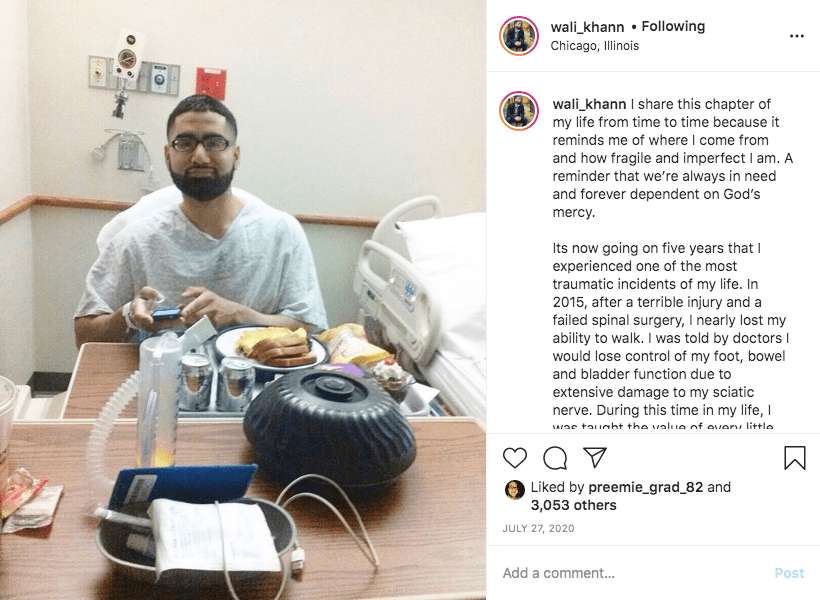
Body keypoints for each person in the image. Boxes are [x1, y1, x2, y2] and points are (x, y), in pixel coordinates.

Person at [74, 94, 328, 346]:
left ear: (236, 155)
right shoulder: (136, 241)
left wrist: (240, 315)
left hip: (258, 370)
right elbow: (84, 336)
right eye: (184, 143)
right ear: (167, 155)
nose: (199, 156)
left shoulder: (281, 233)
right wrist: (127, 316)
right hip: (157, 368)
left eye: (214, 143)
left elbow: (311, 328)